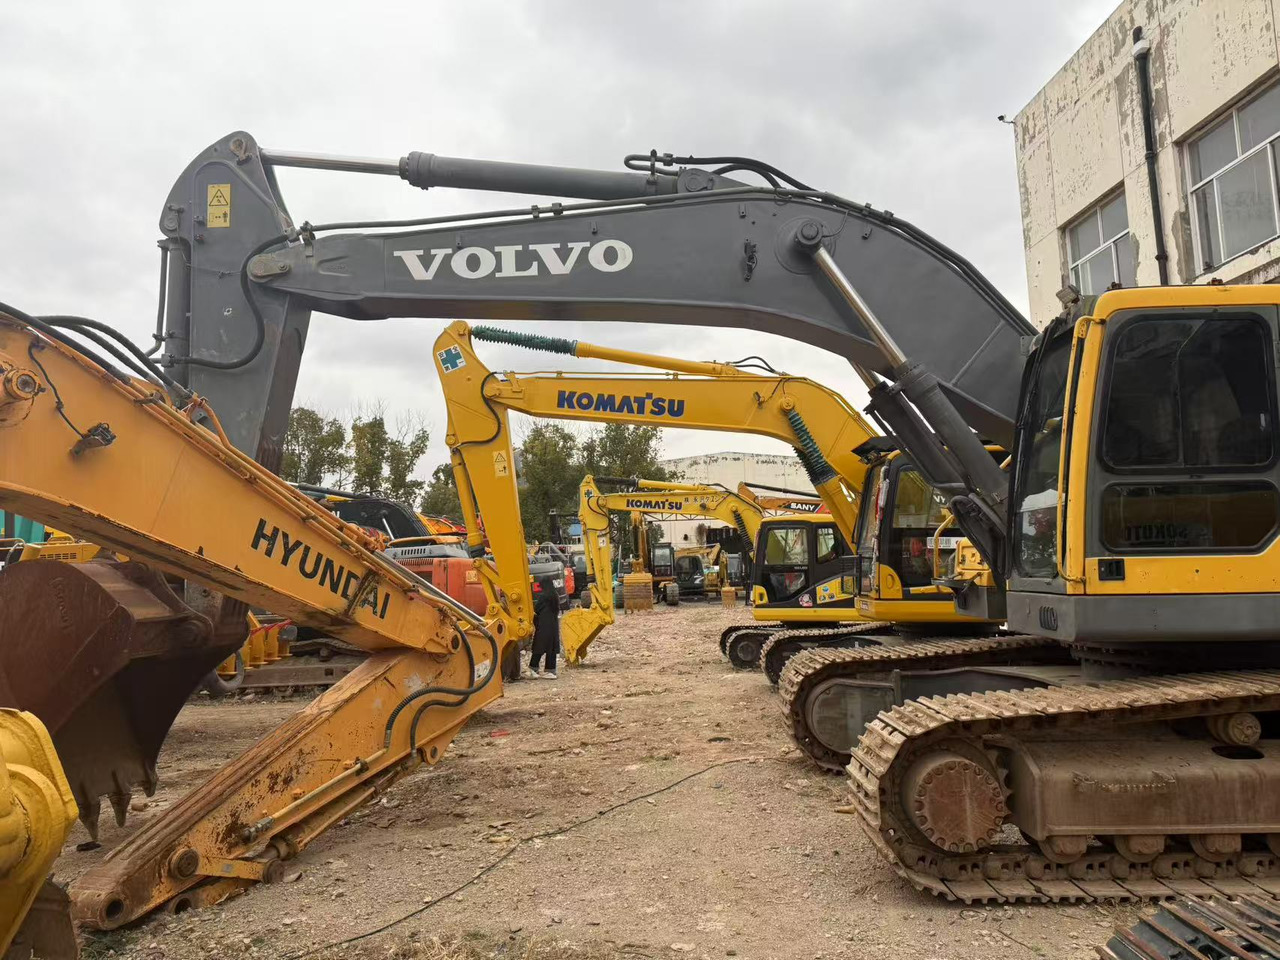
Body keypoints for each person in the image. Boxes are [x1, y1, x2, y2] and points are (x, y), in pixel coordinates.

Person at [529, 574, 560, 679]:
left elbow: (536, 609)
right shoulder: (555, 595)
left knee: (539, 647)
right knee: (551, 648)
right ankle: (551, 670)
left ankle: (533, 668)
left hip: (543, 625)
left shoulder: (543, 596)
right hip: (553, 625)